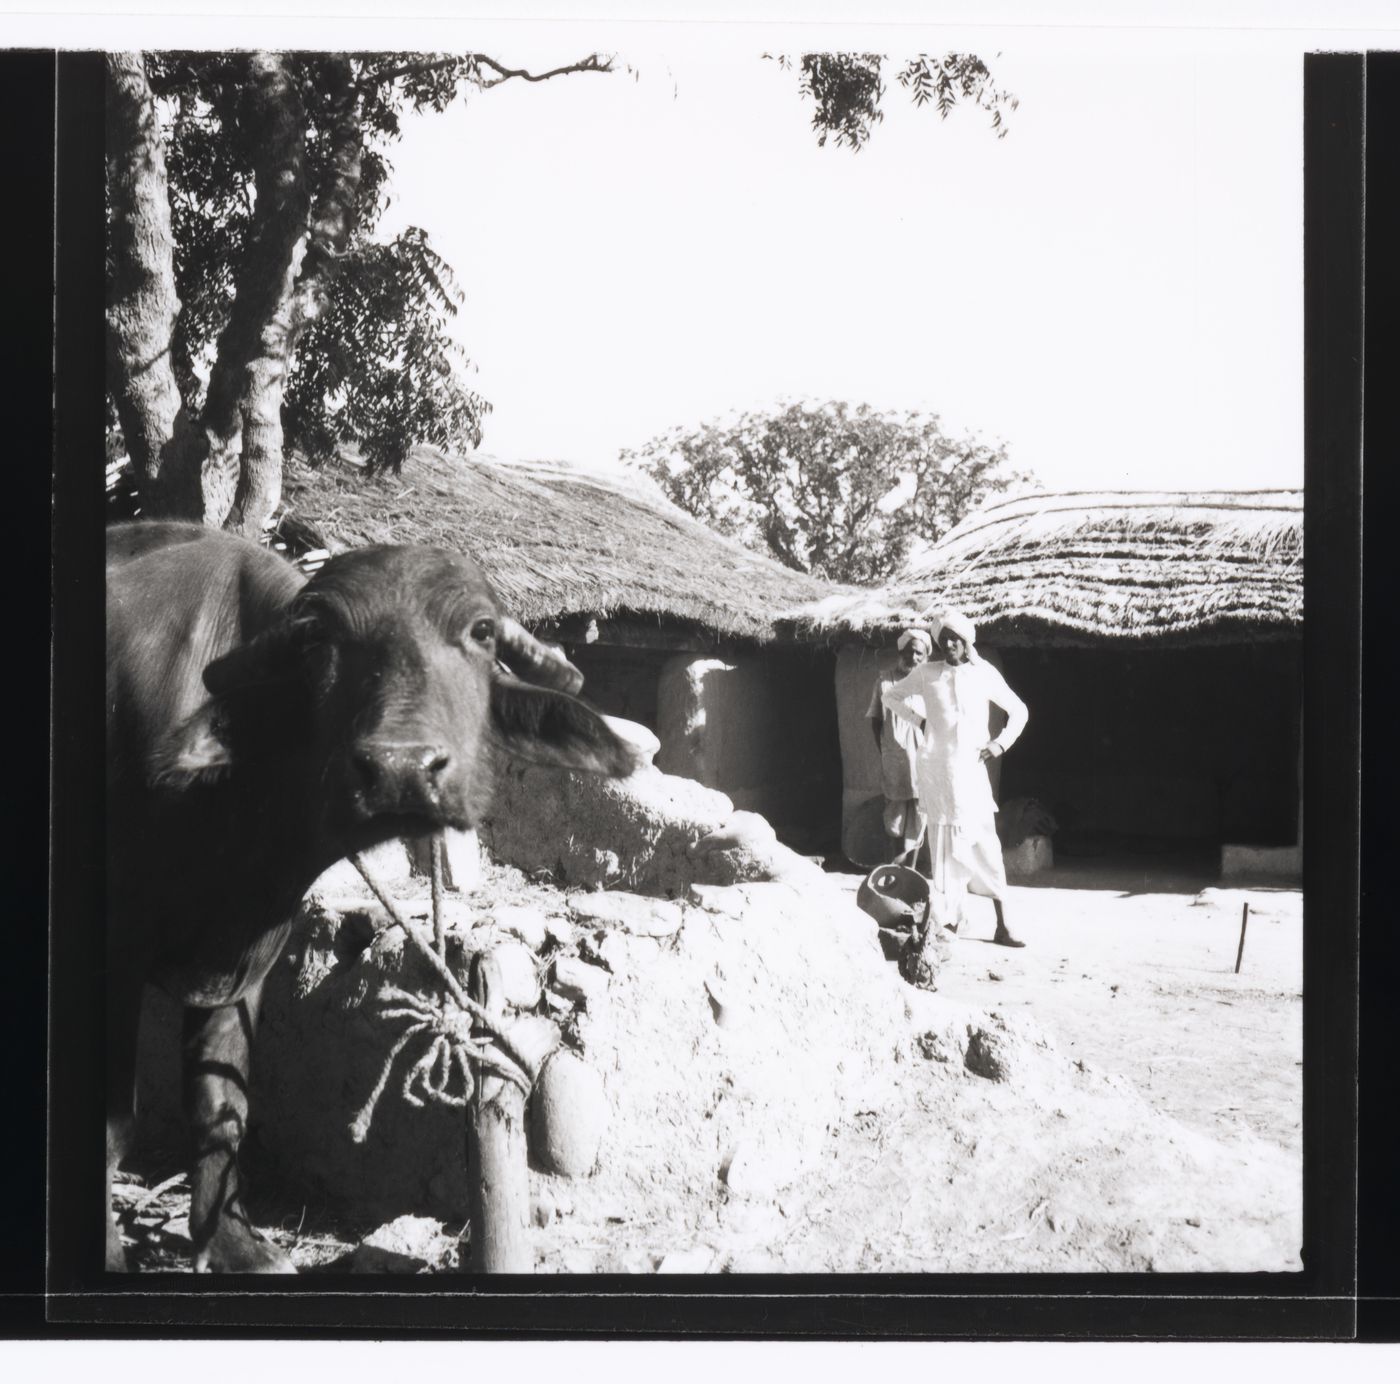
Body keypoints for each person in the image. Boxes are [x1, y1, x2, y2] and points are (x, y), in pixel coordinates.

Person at [882, 608, 1030, 947]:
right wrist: (919, 720)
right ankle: (950, 922)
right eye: (943, 638)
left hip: (971, 776)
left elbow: (1019, 711)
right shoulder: (927, 673)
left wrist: (1000, 743)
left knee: (986, 847)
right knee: (944, 850)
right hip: (937, 774)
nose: (949, 644)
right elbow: (891, 697)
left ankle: (1003, 925)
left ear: (967, 642)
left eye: (955, 639)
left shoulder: (984, 674)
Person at [866, 628, 932, 866]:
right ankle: (894, 867)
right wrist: (886, 750)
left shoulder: (929, 684)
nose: (913, 658)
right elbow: (875, 721)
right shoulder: (885, 681)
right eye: (910, 652)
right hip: (894, 761)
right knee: (894, 818)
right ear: (901, 652)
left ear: (925, 658)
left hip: (923, 761)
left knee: (919, 816)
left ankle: (910, 870)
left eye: (919, 654)